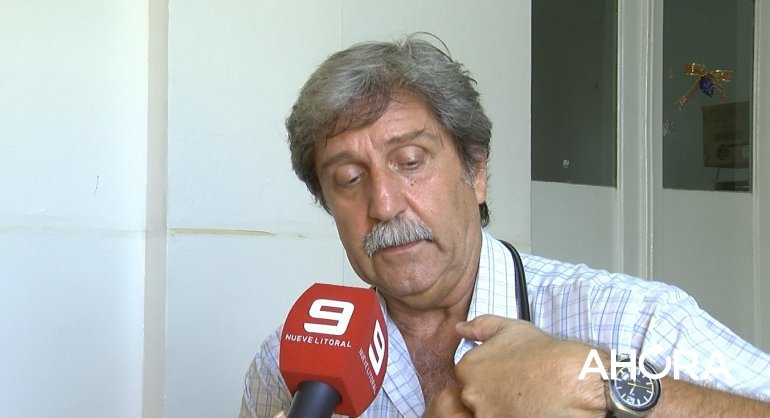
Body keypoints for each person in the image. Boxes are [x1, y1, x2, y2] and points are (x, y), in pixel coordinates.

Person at [239, 34, 770, 417]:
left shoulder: (637, 322)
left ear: (476, 172)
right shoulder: (286, 365)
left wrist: (596, 386)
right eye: (349, 179)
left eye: (410, 161)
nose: (383, 203)